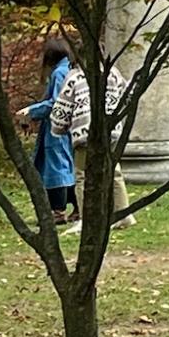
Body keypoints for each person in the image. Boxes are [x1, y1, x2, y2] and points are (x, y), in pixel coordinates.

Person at [52, 59, 131, 233]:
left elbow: (63, 107)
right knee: (114, 171)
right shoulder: (113, 73)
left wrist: (58, 128)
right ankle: (123, 213)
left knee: (82, 175)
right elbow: (127, 96)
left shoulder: (74, 77)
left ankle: (85, 218)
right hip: (111, 130)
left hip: (84, 132)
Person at [19, 36, 76, 222]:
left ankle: (58, 211)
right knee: (65, 167)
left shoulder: (60, 72)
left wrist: (31, 111)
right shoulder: (68, 69)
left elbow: (56, 103)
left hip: (57, 128)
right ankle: (77, 207)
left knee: (57, 168)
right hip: (64, 126)